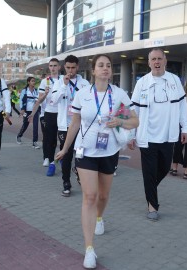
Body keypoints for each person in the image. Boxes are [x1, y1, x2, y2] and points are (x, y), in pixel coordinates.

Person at [55, 54, 139, 269]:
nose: (105, 69)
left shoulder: (119, 93)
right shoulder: (82, 94)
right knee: (89, 196)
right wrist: (65, 148)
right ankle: (89, 249)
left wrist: (120, 120)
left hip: (109, 151)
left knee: (103, 195)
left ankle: (99, 217)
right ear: (93, 71)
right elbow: (74, 123)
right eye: (100, 65)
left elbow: (135, 120)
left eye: (108, 66)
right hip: (85, 151)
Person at [128, 47, 187, 221]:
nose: (156, 62)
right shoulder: (142, 83)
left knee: (163, 168)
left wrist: (185, 128)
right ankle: (152, 206)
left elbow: (183, 107)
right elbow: (134, 111)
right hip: (146, 136)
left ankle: (150, 189)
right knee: (148, 172)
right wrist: (131, 134)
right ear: (148, 63)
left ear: (165, 61)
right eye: (153, 59)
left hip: (168, 136)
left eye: (159, 59)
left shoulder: (175, 81)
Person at [51, 55, 90, 196]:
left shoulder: (84, 83)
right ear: (64, 67)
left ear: (77, 67)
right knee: (65, 154)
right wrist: (64, 85)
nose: (71, 70)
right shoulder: (59, 82)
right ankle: (66, 182)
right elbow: (54, 101)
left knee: (81, 154)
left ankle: (79, 172)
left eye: (73, 67)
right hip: (64, 125)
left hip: (81, 125)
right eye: (68, 67)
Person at [28, 58, 62, 176]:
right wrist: (46, 94)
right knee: (50, 139)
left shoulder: (63, 80)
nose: (53, 68)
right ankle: (50, 161)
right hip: (49, 113)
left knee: (63, 138)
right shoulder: (45, 81)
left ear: (59, 67)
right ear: (49, 67)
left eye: (55, 66)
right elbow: (40, 100)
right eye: (51, 66)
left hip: (62, 114)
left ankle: (62, 158)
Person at [16, 77, 41, 148]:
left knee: (35, 126)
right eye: (32, 81)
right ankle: (19, 136)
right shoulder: (25, 91)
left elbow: (38, 100)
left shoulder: (36, 91)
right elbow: (21, 100)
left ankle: (34, 142)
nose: (34, 82)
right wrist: (22, 109)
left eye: (34, 81)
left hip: (35, 111)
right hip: (26, 110)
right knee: (25, 124)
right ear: (28, 82)